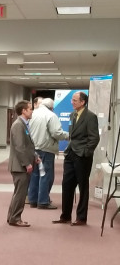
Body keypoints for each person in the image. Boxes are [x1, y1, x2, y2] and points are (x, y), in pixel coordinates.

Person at [53, 91, 100, 226]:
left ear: (82, 102)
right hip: (70, 154)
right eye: (72, 100)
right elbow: (72, 136)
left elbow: (94, 138)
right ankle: (65, 216)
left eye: (74, 100)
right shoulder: (72, 115)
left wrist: (86, 152)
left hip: (82, 156)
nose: (71, 102)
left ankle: (81, 218)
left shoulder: (91, 117)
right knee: (66, 185)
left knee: (83, 187)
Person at [27, 98, 69, 209]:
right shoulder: (51, 115)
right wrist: (68, 136)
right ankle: (43, 201)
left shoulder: (33, 114)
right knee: (46, 176)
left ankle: (33, 200)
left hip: (33, 149)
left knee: (35, 175)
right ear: (51, 107)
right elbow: (56, 133)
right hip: (46, 149)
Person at [7, 100, 38, 228]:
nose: (32, 111)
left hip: (21, 164)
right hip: (20, 166)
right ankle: (15, 218)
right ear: (23, 111)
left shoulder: (24, 124)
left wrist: (35, 156)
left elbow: (27, 145)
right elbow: (19, 147)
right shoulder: (18, 125)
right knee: (20, 193)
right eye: (30, 109)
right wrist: (27, 164)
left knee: (18, 193)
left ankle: (12, 217)